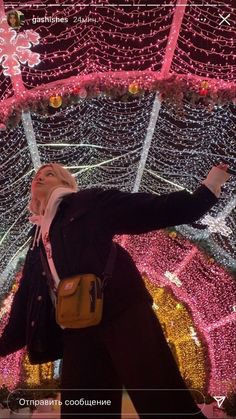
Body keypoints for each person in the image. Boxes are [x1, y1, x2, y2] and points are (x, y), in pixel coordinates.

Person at [0, 162, 231, 418]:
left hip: (122, 314)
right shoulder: (35, 244)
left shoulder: (88, 203)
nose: (41, 176)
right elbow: (23, 314)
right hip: (77, 332)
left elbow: (152, 210)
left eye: (50, 173)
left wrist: (209, 188)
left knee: (161, 402)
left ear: (66, 183)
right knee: (85, 410)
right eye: (37, 176)